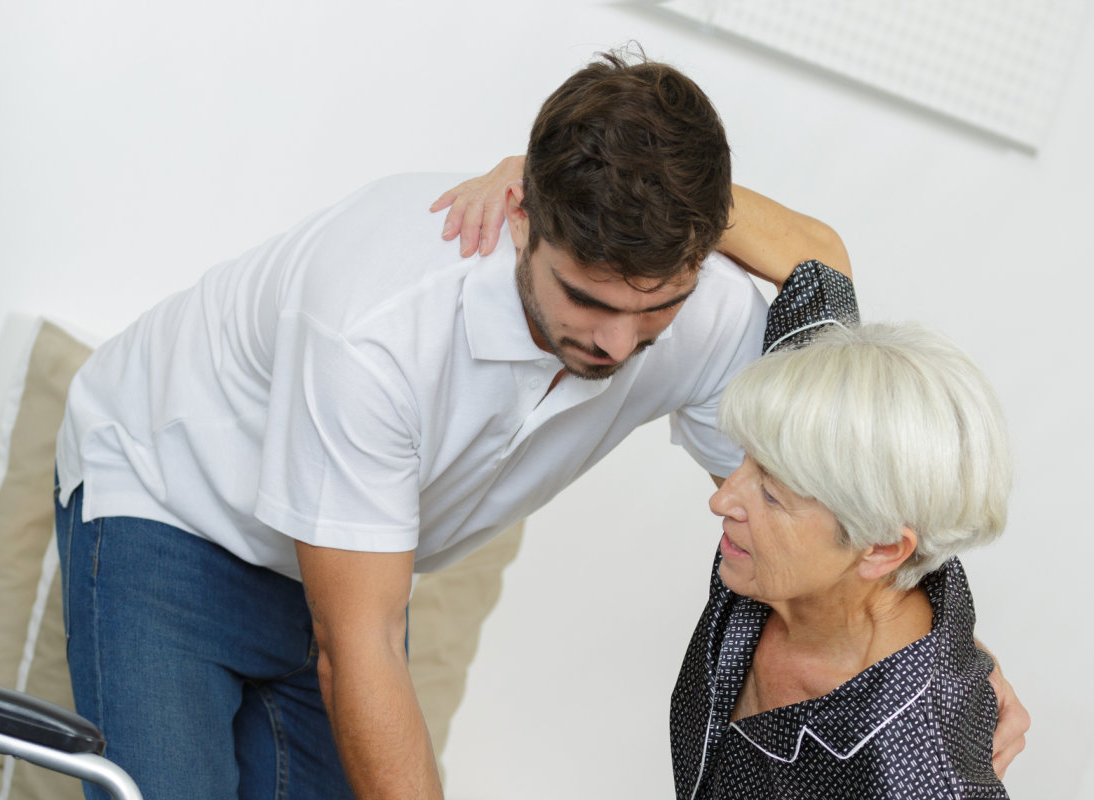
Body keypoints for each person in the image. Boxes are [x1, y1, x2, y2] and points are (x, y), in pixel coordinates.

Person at [56, 51, 1027, 799]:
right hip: (169, 508)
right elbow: (358, 641)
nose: (615, 342)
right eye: (584, 299)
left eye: (654, 307)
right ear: (525, 215)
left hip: (356, 570)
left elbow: (847, 469)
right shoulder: (378, 323)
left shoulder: (699, 312)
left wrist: (944, 663)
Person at [668, 286, 1013, 797]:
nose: (723, 501)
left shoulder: (920, 774)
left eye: (770, 492)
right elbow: (814, 262)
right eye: (744, 457)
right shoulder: (773, 560)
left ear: (879, 548)